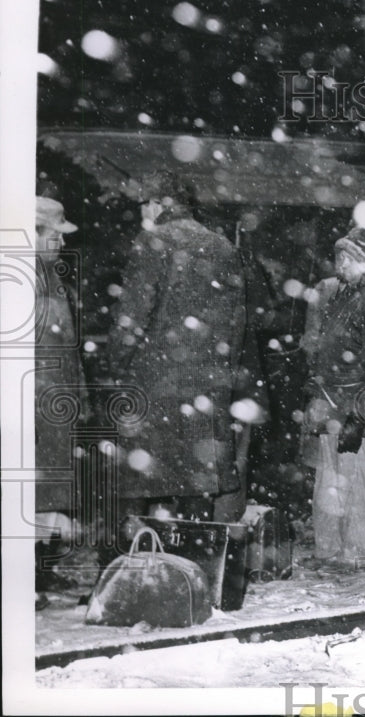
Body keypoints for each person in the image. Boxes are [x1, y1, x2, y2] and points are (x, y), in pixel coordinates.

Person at [105, 171, 248, 532]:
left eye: (143, 205)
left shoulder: (153, 241)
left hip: (156, 384)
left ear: (156, 205)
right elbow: (236, 323)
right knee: (197, 484)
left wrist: (115, 363)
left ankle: (140, 567)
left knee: (141, 481)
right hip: (206, 385)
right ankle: (195, 564)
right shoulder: (223, 247)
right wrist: (223, 373)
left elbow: (132, 317)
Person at [299, 228, 365, 571]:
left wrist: (362, 414)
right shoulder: (340, 291)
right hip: (330, 398)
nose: (340, 263)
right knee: (328, 478)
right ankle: (327, 550)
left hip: (354, 401)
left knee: (354, 481)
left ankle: (353, 554)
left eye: (348, 257)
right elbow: (324, 346)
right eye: (339, 256)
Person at [34, 196, 90, 608]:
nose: (59, 242)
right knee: (30, 493)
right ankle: (25, 581)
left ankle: (39, 574)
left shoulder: (51, 276)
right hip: (33, 402)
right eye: (54, 234)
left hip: (55, 401)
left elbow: (66, 346)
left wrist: (78, 396)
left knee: (49, 493)